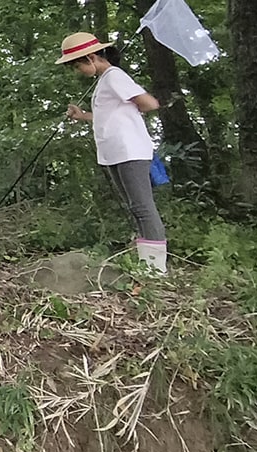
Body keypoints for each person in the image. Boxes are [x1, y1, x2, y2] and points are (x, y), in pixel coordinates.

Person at [58, 32, 167, 273]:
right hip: (115, 153)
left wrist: (134, 111)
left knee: (142, 207)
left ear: (90, 58)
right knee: (134, 207)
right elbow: (109, 115)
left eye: (77, 66)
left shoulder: (114, 76)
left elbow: (149, 103)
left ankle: (156, 268)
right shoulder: (105, 80)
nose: (77, 71)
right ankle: (146, 263)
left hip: (130, 151)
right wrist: (82, 116)